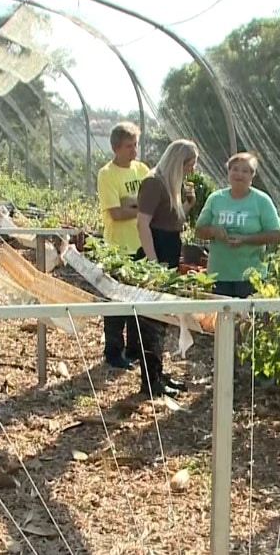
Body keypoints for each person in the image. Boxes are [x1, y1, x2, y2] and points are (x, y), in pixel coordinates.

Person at [97, 122, 180, 395]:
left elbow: (137, 206)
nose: (135, 150)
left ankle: (134, 350)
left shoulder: (142, 170)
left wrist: (134, 204)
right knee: (117, 300)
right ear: (116, 147)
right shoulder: (107, 174)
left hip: (143, 246)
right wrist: (143, 208)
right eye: (129, 146)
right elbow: (115, 213)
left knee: (140, 303)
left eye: (135, 144)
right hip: (119, 246)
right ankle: (113, 350)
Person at [134, 139, 200, 395]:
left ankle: (157, 375)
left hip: (169, 249)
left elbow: (170, 221)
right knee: (151, 319)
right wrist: (153, 263)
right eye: (189, 164)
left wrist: (187, 206)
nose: (191, 170)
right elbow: (143, 225)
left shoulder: (171, 185)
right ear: (177, 162)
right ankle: (150, 382)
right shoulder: (153, 183)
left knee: (161, 318)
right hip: (157, 252)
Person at [194, 152, 280, 298]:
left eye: (245, 171)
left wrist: (245, 239)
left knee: (247, 319)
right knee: (220, 319)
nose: (239, 174)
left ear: (252, 175)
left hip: (250, 277)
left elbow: (276, 235)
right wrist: (214, 231)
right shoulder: (216, 199)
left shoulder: (261, 201)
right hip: (218, 275)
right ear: (228, 172)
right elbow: (199, 230)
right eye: (234, 169)